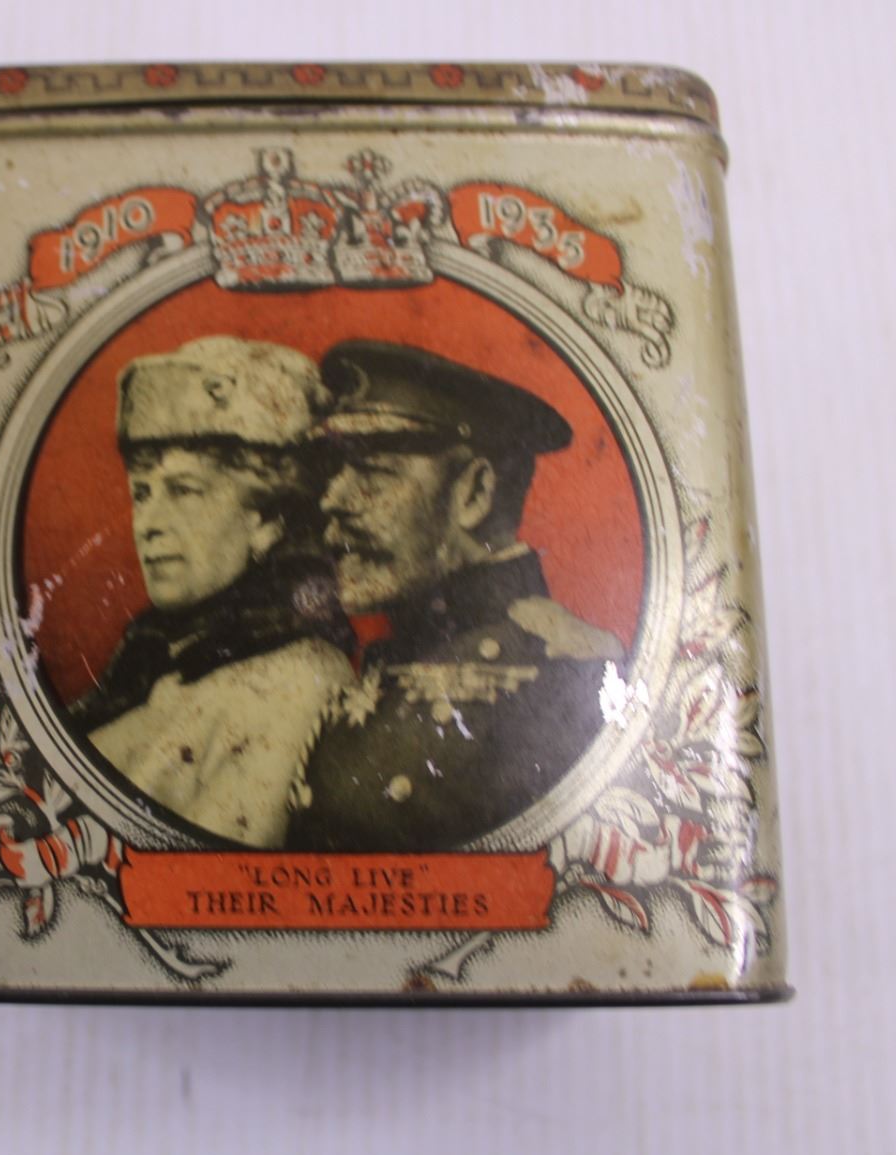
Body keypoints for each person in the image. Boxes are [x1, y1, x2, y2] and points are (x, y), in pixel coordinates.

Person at [284, 340, 624, 852]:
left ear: (475, 493)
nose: (332, 500)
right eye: (336, 472)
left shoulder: (563, 674)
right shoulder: (391, 661)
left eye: (373, 473)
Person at [69, 336, 355, 848]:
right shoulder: (153, 666)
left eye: (184, 491)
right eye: (142, 493)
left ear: (267, 519)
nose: (149, 524)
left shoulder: (297, 680)